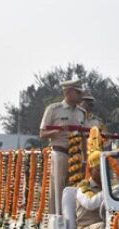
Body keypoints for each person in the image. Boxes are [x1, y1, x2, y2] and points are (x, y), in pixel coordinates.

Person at [39, 79, 85, 215]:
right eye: (78, 93)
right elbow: (42, 134)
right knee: (57, 189)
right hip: (59, 152)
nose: (81, 96)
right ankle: (56, 219)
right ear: (68, 92)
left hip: (76, 155)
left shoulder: (81, 112)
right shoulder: (53, 109)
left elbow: (83, 136)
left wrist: (85, 159)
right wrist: (57, 130)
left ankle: (71, 219)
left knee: (75, 189)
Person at [73, 127, 105, 229]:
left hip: (103, 227)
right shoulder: (83, 186)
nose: (102, 173)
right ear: (91, 171)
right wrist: (109, 192)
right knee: (100, 226)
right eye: (98, 169)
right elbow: (90, 203)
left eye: (104, 169)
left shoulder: (107, 186)